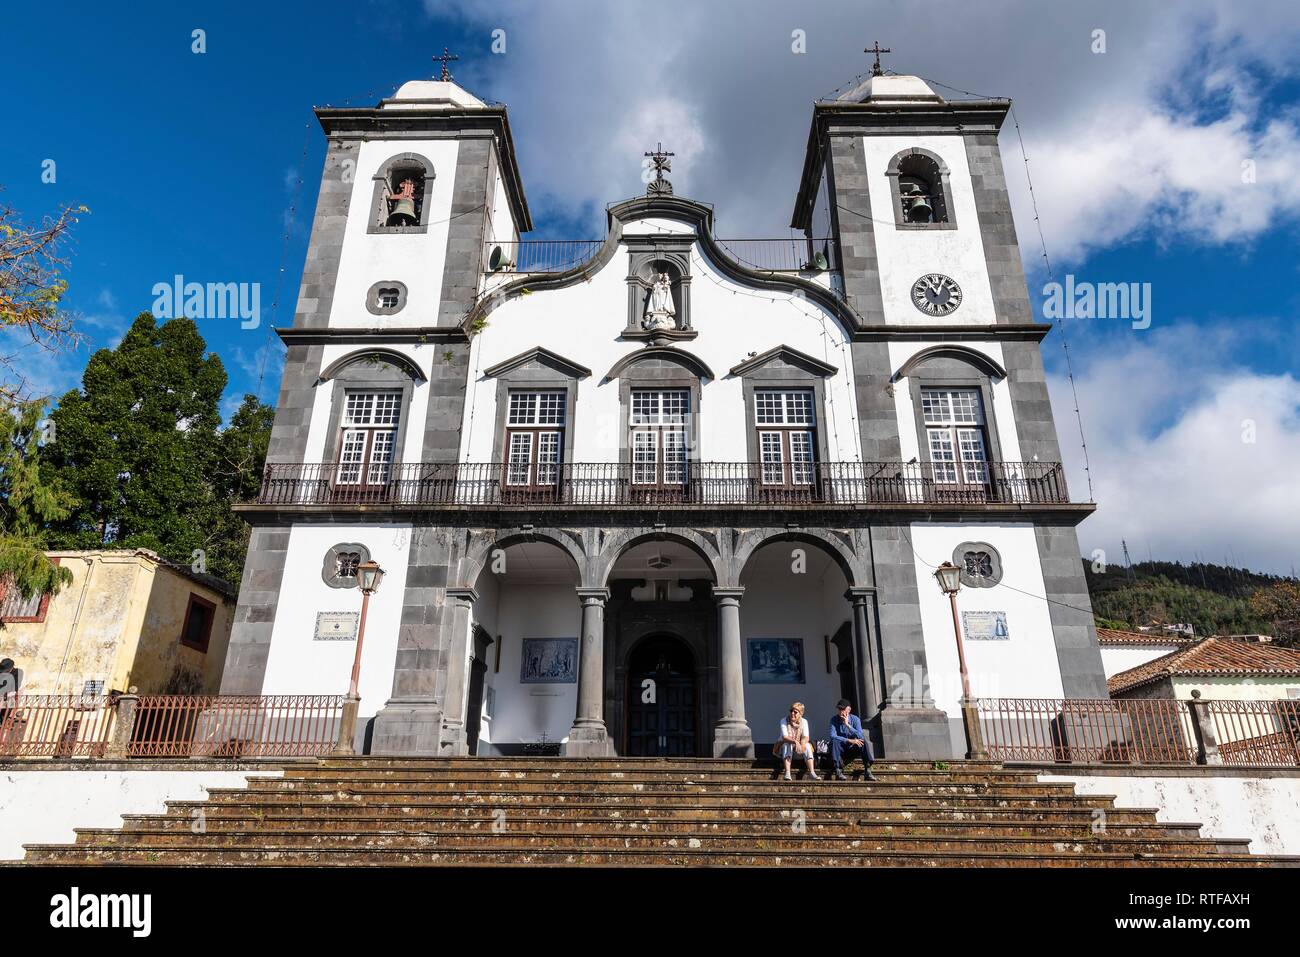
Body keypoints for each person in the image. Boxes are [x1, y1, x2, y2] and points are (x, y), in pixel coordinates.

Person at [829, 698, 878, 781]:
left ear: (849, 709)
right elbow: (832, 735)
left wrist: (848, 725)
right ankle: (838, 770)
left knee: (863, 741)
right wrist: (848, 740)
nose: (841, 711)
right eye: (839, 709)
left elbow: (861, 735)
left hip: (853, 748)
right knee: (834, 741)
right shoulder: (834, 720)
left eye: (843, 709)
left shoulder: (855, 719)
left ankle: (867, 770)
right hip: (841, 748)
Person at [775, 701, 819, 782]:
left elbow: (806, 737)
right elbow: (785, 737)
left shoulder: (804, 721)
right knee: (787, 744)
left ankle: (812, 772)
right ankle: (787, 772)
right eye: (791, 711)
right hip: (784, 748)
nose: (792, 713)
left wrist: (802, 744)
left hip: (798, 749)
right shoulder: (784, 720)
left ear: (801, 713)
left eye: (795, 712)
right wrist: (796, 742)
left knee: (808, 745)